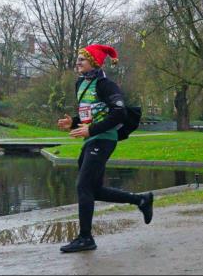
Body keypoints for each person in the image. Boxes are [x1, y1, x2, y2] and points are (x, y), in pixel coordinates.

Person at [56, 44, 153, 253]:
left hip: (104, 139)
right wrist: (72, 123)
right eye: (78, 58)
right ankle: (141, 199)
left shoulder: (106, 85)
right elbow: (90, 115)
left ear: (94, 61)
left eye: (82, 59)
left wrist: (91, 131)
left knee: (83, 186)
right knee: (94, 190)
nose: (78, 62)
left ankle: (85, 238)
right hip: (92, 140)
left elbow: (119, 114)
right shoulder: (80, 84)